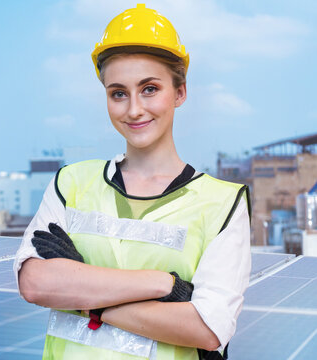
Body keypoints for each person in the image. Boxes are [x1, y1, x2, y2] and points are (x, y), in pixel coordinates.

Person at [13, 4, 251, 360]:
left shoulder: (223, 203)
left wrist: (86, 299)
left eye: (150, 89)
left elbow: (206, 328)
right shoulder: (71, 182)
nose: (134, 109)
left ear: (180, 92)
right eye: (118, 93)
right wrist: (165, 285)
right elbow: (35, 284)